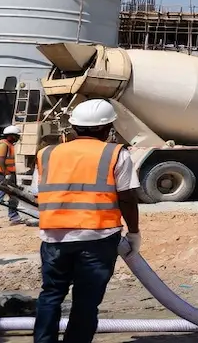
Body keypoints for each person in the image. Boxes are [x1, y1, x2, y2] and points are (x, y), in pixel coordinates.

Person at [33, 99, 141, 343]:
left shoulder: (47, 154)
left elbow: (39, 193)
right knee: (86, 301)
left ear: (74, 127)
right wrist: (134, 232)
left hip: (54, 237)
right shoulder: (115, 153)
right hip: (98, 237)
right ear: (106, 128)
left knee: (50, 295)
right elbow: (126, 197)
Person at [0, 125, 33, 228]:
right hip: (0, 173)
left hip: (6, 173)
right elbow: (0, 159)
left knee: (14, 195)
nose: (17, 138)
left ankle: (14, 217)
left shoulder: (9, 144)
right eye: (16, 136)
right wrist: (6, 174)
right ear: (10, 136)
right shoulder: (3, 144)